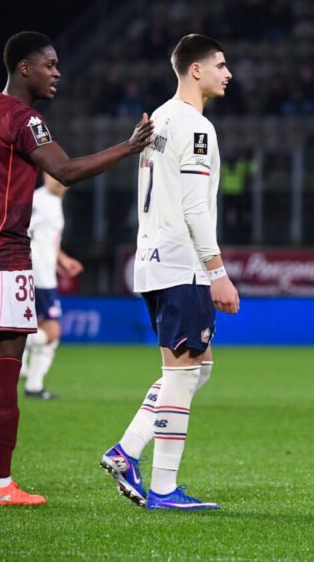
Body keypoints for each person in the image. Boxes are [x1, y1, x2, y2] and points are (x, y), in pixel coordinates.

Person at [0, 31, 153, 506]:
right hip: (1, 248)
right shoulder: (24, 119)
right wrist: (128, 147)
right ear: (24, 68)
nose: (57, 72)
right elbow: (68, 171)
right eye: (49, 64)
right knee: (7, 364)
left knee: (0, 362)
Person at [101, 34, 240, 511]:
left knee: (195, 369)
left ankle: (128, 450)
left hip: (153, 259)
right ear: (196, 70)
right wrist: (216, 269)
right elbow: (194, 204)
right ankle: (161, 486)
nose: (228, 73)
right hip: (183, 262)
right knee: (184, 372)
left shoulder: (158, 118)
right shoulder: (196, 126)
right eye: (220, 65)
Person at [23, 172, 84, 399]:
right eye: (54, 175)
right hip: (38, 277)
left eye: (63, 176)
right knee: (52, 331)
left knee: (49, 335)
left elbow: (45, 238)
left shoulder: (52, 202)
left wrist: (63, 259)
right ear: (44, 175)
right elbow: (25, 234)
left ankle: (34, 386)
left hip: (43, 274)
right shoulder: (39, 201)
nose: (59, 180)